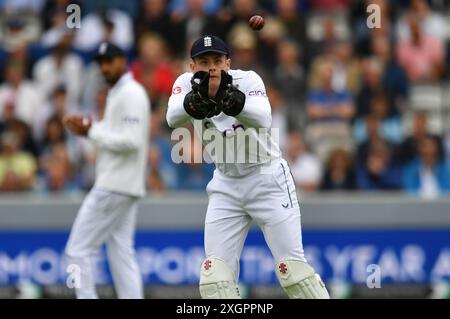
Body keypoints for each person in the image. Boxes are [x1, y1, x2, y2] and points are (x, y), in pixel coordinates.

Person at [166, 35, 330, 299]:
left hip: (266, 178)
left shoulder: (248, 80)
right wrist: (192, 103)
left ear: (228, 62)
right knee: (215, 279)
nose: (212, 68)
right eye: (204, 61)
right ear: (192, 66)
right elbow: (172, 118)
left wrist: (233, 102)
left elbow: (264, 118)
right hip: (225, 183)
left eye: (218, 61)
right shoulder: (185, 83)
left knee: (295, 274)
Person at [63, 43, 150, 299]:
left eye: (109, 61)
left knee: (77, 250)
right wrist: (92, 128)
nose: (104, 67)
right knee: (121, 252)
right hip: (123, 186)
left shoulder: (131, 94)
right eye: (101, 62)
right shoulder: (119, 93)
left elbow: (131, 140)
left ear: (123, 61)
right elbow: (118, 134)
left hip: (114, 186)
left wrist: (90, 131)